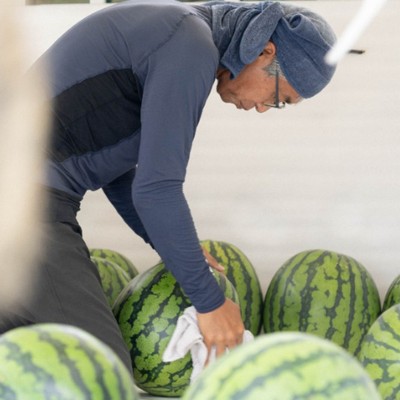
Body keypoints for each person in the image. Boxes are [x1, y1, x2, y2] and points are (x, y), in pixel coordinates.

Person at [0, 0, 337, 374]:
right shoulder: (189, 45)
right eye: (280, 98)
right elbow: (157, 190)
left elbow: (115, 171)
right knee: (102, 372)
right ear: (265, 52)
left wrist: (172, 246)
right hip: (25, 208)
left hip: (22, 201)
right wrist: (210, 303)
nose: (264, 108)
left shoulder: (180, 33)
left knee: (20, 358)